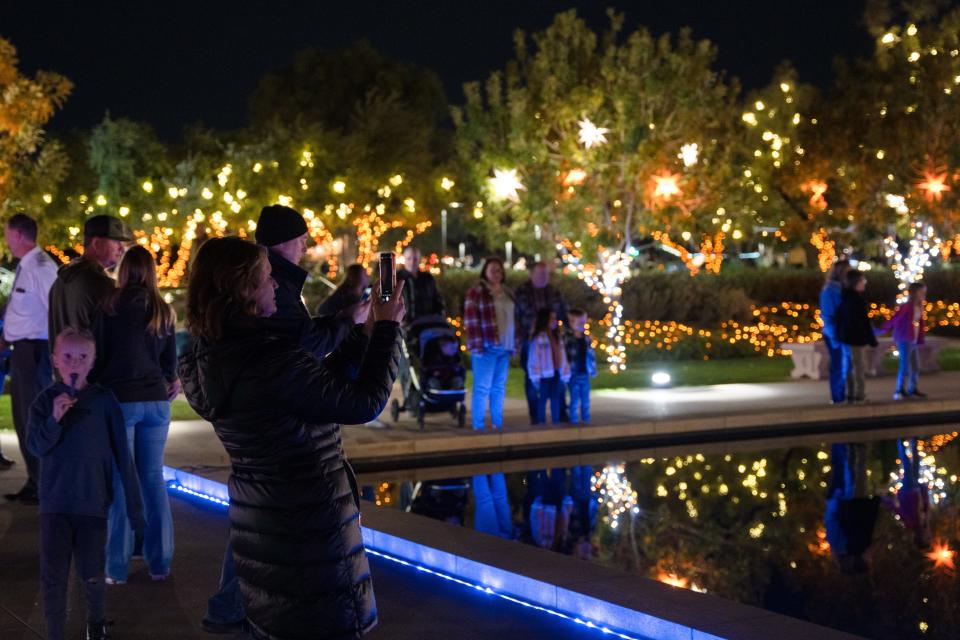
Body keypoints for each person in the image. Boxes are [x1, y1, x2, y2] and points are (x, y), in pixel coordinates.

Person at [180, 236, 404, 640]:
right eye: (267, 278)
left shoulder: (212, 357)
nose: (277, 286)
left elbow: (317, 387)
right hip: (311, 533)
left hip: (261, 523)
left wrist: (364, 335)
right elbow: (362, 403)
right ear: (244, 289)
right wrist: (388, 330)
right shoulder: (269, 360)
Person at [27, 327, 144, 640]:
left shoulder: (104, 401)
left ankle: (96, 624)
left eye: (82, 357)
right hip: (54, 505)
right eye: (68, 356)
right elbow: (36, 447)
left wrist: (136, 511)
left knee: (92, 574)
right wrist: (54, 420)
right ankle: (55, 632)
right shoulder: (44, 401)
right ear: (55, 360)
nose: (75, 363)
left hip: (92, 504)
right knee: (53, 578)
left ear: (92, 362)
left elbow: (123, 456)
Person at [95, 246, 179, 584]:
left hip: (121, 401)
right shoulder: (163, 310)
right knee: (153, 480)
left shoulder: (109, 307)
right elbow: (169, 364)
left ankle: (116, 567)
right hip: (156, 403)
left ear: (125, 271)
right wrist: (169, 379)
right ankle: (160, 562)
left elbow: (98, 357)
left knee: (120, 481)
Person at [1, 213, 58, 502]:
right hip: (22, 352)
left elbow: (55, 310)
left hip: (36, 352)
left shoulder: (40, 266)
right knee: (23, 419)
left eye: (9, 234)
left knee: (33, 418)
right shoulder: (27, 266)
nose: (7, 240)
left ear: (20, 235)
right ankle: (35, 480)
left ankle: (45, 483)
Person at [255, 204, 356, 355]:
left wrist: (342, 317)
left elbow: (300, 327)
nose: (304, 248)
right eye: (302, 240)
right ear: (282, 240)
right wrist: (351, 320)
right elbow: (311, 345)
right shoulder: (274, 285)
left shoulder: (278, 278)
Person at [48, 214, 130, 344]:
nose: (121, 248)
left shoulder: (60, 280)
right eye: (116, 241)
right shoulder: (101, 284)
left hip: (62, 363)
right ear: (96, 243)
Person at [464, 257, 516, 431]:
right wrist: (475, 344)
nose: (496, 273)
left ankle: (497, 424)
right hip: (486, 346)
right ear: (485, 271)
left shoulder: (507, 293)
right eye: (493, 269)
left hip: (505, 347)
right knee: (482, 387)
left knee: (499, 387)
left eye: (499, 270)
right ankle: (478, 426)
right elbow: (471, 320)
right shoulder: (476, 292)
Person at [515, 261, 569, 423]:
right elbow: (516, 316)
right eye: (540, 274)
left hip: (552, 338)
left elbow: (564, 311)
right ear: (532, 274)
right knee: (532, 378)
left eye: (546, 274)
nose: (544, 277)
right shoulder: (522, 293)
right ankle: (536, 415)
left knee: (556, 377)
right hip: (530, 340)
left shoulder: (553, 292)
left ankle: (560, 413)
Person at [881, 282, 928, 401]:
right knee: (905, 366)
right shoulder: (907, 307)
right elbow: (895, 319)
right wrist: (882, 329)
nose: (924, 295)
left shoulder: (919, 306)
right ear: (915, 293)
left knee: (915, 365)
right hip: (905, 339)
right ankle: (899, 389)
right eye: (922, 292)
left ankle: (912, 388)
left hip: (913, 339)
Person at [837, 271, 877, 404]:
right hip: (856, 339)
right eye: (862, 280)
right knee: (859, 366)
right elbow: (863, 322)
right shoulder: (857, 300)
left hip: (846, 338)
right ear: (856, 283)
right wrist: (872, 340)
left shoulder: (845, 297)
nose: (864, 283)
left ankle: (851, 394)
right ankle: (859, 394)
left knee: (849, 366)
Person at [527, 309, 571, 426]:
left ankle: (555, 421)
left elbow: (563, 355)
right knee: (543, 399)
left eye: (555, 318)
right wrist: (535, 375)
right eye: (551, 318)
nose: (554, 321)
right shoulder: (539, 338)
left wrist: (565, 372)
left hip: (556, 372)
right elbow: (534, 358)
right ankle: (541, 422)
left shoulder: (557, 336)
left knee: (555, 398)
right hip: (544, 374)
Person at [819, 259, 852, 404]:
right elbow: (827, 316)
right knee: (838, 365)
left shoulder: (844, 290)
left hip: (844, 332)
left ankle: (843, 394)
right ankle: (837, 396)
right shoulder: (830, 291)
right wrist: (834, 336)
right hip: (835, 334)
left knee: (846, 364)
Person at [564, 309, 597, 424]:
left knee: (585, 398)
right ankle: (573, 419)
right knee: (574, 398)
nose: (582, 325)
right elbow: (565, 355)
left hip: (584, 371)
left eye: (583, 322)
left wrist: (593, 368)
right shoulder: (567, 337)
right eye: (579, 323)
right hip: (573, 372)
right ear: (571, 322)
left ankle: (586, 418)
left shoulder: (586, 338)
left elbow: (591, 354)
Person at [397, 245, 444, 323]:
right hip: (405, 325)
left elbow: (437, 298)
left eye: (415, 259)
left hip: (428, 323)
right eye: (409, 258)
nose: (412, 262)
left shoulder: (427, 278)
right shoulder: (397, 278)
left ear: (419, 260)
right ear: (404, 259)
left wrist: (439, 313)